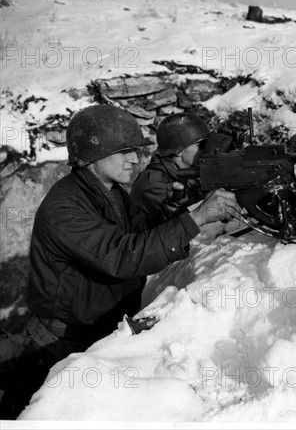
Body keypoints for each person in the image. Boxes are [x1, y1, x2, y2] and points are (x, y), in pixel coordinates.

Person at [0, 105, 241, 419]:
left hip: (96, 337)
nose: (136, 159)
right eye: (124, 151)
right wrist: (195, 218)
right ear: (91, 155)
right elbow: (122, 257)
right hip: (58, 345)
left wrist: (190, 217)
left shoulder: (111, 193)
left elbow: (143, 233)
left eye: (137, 151)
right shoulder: (64, 207)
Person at [130, 112, 232, 227]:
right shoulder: (152, 184)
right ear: (179, 151)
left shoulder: (183, 173)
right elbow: (178, 224)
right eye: (202, 144)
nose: (206, 149)